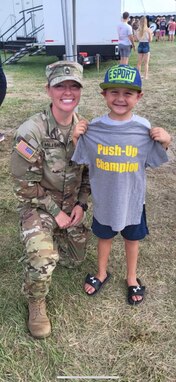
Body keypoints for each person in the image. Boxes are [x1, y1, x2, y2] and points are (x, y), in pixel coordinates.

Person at [72, 64, 171, 305]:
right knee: (104, 238)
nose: (120, 98)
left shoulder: (144, 130)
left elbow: (155, 158)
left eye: (128, 93)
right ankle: (101, 273)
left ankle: (132, 278)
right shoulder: (93, 128)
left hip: (133, 200)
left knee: (131, 239)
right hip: (104, 200)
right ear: (103, 95)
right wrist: (77, 137)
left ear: (139, 96)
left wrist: (166, 142)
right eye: (114, 92)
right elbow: (81, 157)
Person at [11, 60, 91, 339]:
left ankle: (51, 237)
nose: (67, 92)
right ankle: (36, 302)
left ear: (80, 90)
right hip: (39, 204)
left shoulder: (85, 128)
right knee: (44, 259)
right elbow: (24, 186)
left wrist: (81, 204)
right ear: (48, 90)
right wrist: (56, 212)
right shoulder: (31, 131)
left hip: (70, 207)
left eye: (73, 86)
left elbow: (89, 176)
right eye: (60, 86)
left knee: (74, 260)